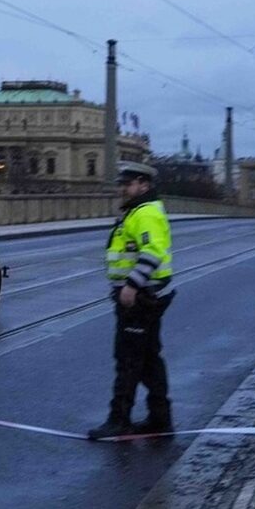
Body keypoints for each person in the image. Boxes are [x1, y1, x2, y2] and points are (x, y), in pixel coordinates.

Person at [87, 161, 175, 440]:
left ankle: (119, 420)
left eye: (127, 184)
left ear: (143, 185)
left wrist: (131, 285)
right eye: (121, 184)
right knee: (149, 361)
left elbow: (153, 251)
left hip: (139, 299)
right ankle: (160, 418)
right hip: (144, 297)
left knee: (128, 360)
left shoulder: (145, 213)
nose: (122, 189)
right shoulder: (137, 212)